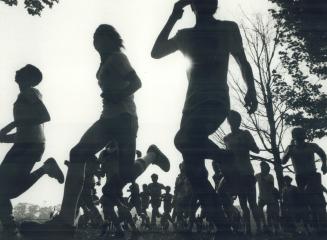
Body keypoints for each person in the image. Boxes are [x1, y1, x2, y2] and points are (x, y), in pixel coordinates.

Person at [20, 25, 170, 238]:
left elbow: (136, 82)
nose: (95, 42)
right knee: (77, 153)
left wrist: (118, 96)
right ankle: (65, 222)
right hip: (107, 118)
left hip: (125, 118)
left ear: (111, 39)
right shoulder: (104, 64)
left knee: (126, 174)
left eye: (99, 37)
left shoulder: (119, 57)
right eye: (94, 38)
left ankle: (152, 154)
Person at [151, 0, 258, 235]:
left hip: (214, 101)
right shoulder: (187, 35)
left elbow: (242, 59)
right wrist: (251, 89)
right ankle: (223, 228)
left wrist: (173, 15)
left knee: (183, 140)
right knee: (193, 170)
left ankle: (223, 157)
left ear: (192, 7)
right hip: (190, 108)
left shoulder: (224, 29)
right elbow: (156, 53)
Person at [0, 65, 64, 237]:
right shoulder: (27, 94)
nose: (17, 71)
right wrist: (3, 137)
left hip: (28, 146)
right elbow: (26, 129)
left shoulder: (28, 92)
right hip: (27, 143)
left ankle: (9, 225)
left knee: (3, 186)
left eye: (22, 71)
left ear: (28, 78)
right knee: (7, 189)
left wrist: (15, 124)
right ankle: (8, 224)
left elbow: (44, 116)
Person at [282, 127, 327, 233]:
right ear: (294, 136)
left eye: (302, 134)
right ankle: (314, 225)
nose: (300, 137)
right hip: (301, 177)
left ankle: (323, 224)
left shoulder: (312, 146)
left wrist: (324, 164)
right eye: (298, 135)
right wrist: (288, 151)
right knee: (306, 202)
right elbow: (283, 161)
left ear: (304, 135)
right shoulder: (291, 148)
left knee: (318, 200)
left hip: (313, 175)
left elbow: (323, 154)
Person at [224, 110, 261, 234]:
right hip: (236, 175)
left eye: (237, 119)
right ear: (228, 122)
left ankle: (260, 228)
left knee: (252, 203)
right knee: (243, 204)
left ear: (239, 121)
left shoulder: (245, 134)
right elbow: (227, 158)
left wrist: (245, 143)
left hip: (247, 173)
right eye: (231, 120)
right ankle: (248, 229)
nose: (234, 122)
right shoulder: (226, 138)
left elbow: (256, 150)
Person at [256, 161, 276, 232]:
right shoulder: (257, 175)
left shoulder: (270, 176)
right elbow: (252, 181)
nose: (261, 168)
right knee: (260, 212)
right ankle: (265, 226)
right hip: (261, 197)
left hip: (270, 197)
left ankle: (270, 227)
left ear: (266, 168)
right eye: (261, 166)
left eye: (263, 166)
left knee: (269, 213)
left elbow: (271, 186)